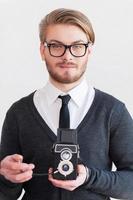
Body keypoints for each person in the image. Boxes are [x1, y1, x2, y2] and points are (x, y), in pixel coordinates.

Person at [0, 8, 133, 200]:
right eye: (56, 46)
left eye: (77, 46)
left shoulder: (112, 111)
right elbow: (6, 194)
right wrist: (7, 178)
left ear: (89, 51)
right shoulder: (19, 113)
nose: (67, 56)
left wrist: (89, 177)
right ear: (42, 50)